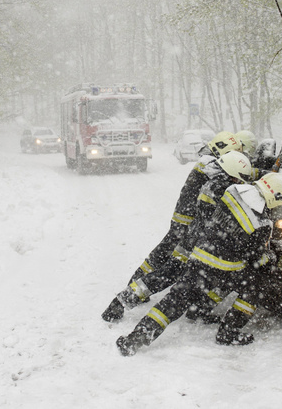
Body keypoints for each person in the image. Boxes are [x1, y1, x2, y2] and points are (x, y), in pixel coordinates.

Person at [115, 172, 282, 356]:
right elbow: (253, 257)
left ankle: (135, 338)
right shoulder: (262, 223)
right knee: (253, 288)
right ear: (274, 196)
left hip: (199, 257)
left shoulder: (233, 191)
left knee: (174, 300)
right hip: (226, 269)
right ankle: (228, 332)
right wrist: (269, 258)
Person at [101, 131, 243, 322]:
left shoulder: (209, 163)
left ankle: (127, 294)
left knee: (167, 264)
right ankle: (127, 294)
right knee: (169, 266)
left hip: (189, 225)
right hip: (188, 225)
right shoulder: (212, 168)